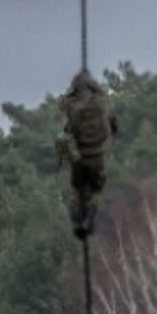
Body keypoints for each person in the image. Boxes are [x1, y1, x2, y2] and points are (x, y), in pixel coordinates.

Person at [56, 68, 118, 239]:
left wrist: (72, 91)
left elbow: (63, 105)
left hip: (79, 159)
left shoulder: (73, 109)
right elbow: (102, 93)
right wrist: (90, 80)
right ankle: (88, 219)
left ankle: (77, 220)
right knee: (96, 190)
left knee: (77, 192)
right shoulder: (100, 104)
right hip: (96, 157)